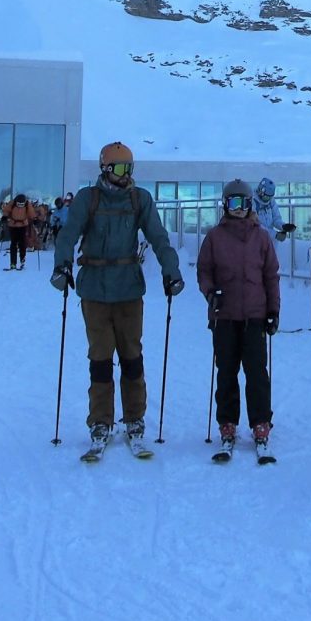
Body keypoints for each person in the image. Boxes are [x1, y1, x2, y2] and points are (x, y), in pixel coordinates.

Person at [51, 141, 184, 457]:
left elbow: (158, 237)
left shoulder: (140, 200)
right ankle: (100, 421)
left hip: (128, 290)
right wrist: (61, 265)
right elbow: (68, 235)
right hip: (94, 290)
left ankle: (135, 419)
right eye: (122, 169)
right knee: (99, 358)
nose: (127, 175)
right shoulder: (88, 199)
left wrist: (171, 270)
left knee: (131, 356)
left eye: (130, 168)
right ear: (106, 170)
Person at [197, 179, 281, 457]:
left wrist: (273, 311)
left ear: (250, 205)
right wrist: (211, 293)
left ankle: (260, 423)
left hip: (255, 316)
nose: (238, 209)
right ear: (225, 205)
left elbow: (271, 276)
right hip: (225, 316)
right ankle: (227, 424)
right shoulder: (214, 237)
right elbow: (204, 270)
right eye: (233, 203)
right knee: (227, 372)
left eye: (243, 204)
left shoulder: (261, 237)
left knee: (257, 373)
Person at [252, 177, 297, 243]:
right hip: (256, 241)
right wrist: (275, 235)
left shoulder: (271, 201)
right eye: (266, 197)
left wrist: (283, 226)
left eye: (270, 197)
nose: (267, 199)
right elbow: (256, 226)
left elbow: (276, 218)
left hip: (269, 240)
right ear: (260, 192)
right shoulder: (252, 202)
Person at [5, 194, 32, 270]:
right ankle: (13, 263)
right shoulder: (12, 203)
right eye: (19, 204)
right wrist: (4, 216)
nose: (20, 205)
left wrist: (34, 218)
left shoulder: (27, 204)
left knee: (22, 243)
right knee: (13, 244)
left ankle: (22, 259)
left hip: (23, 226)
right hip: (13, 226)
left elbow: (31, 212)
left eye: (22, 204)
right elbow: (6, 210)